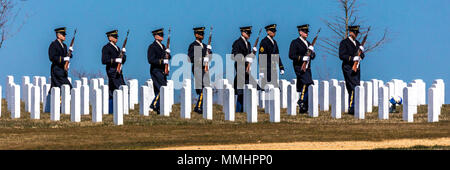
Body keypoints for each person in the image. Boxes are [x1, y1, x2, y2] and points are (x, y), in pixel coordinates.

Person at [232, 26, 260, 112]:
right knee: (241, 89)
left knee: (245, 89)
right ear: (243, 33)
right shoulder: (237, 43)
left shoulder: (248, 44)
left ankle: (242, 110)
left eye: (249, 33)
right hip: (240, 67)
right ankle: (238, 110)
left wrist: (252, 54)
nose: (249, 35)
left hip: (246, 68)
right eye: (247, 33)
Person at [288, 24, 316, 113]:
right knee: (307, 83)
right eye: (304, 31)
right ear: (300, 32)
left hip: (307, 67)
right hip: (299, 67)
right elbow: (291, 55)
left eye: (307, 31)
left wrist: (311, 54)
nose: (306, 33)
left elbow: (313, 55)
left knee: (304, 84)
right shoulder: (295, 42)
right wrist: (301, 58)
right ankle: (302, 100)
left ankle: (303, 107)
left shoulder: (308, 43)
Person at [338, 25, 365, 115]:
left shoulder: (357, 43)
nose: (356, 34)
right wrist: (352, 58)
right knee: (352, 87)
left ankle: (354, 105)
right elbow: (342, 55)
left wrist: (361, 55)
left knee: (356, 86)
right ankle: (352, 106)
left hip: (356, 67)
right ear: (350, 32)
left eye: (357, 33)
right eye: (355, 32)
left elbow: (362, 55)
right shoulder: (344, 43)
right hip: (348, 68)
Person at [46, 27, 74, 112]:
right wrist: (63, 59)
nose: (64, 36)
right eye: (63, 34)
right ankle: (55, 106)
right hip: (57, 70)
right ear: (58, 35)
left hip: (63, 71)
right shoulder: (53, 45)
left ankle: (55, 107)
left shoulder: (64, 46)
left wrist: (70, 53)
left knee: (57, 88)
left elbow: (66, 56)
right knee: (65, 87)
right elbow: (52, 57)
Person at [101, 30, 127, 113]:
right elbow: (104, 60)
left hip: (118, 71)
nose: (116, 38)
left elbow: (122, 61)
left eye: (117, 37)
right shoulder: (106, 47)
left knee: (113, 90)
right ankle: (112, 109)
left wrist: (123, 55)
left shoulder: (117, 48)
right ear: (110, 37)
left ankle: (111, 110)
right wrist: (116, 60)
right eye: (115, 37)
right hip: (112, 71)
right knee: (118, 88)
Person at [188, 27, 211, 114]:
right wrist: (202, 59)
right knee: (202, 87)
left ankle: (200, 106)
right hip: (197, 68)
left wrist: (209, 53)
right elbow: (191, 58)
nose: (202, 35)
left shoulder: (205, 46)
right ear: (196, 35)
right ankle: (198, 107)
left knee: (205, 87)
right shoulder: (193, 45)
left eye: (203, 34)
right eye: (200, 34)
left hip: (204, 68)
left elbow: (209, 57)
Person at [148, 28, 171, 114]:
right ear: (155, 36)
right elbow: (151, 60)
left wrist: (168, 54)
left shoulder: (163, 46)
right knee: (162, 88)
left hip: (162, 71)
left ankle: (158, 108)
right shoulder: (152, 47)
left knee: (159, 90)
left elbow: (167, 57)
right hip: (156, 70)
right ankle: (154, 105)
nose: (162, 37)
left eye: (162, 35)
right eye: (160, 35)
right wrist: (161, 61)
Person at [258, 24, 285, 88]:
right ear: (267, 32)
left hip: (273, 69)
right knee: (267, 88)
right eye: (272, 31)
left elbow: (277, 56)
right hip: (266, 69)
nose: (274, 32)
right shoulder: (264, 42)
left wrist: (281, 67)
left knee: (275, 87)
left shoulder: (274, 42)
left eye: (274, 31)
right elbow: (262, 56)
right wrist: (261, 70)